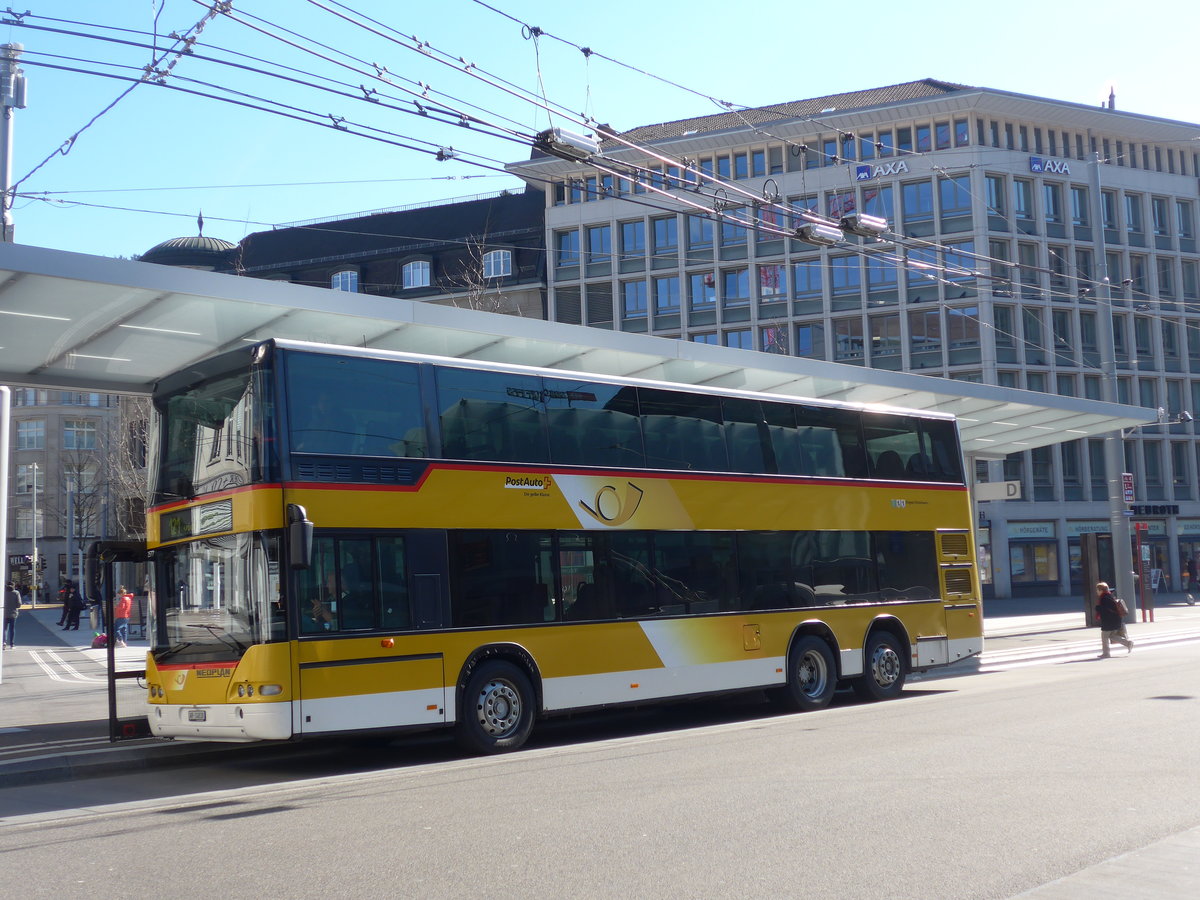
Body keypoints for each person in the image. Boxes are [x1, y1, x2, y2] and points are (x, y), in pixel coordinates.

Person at [1095, 581, 1133, 658]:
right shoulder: (1110, 596)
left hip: (1109, 621)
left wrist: (1097, 608)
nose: (1097, 592)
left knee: (1104, 637)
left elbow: (1105, 609)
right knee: (1112, 636)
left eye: (1097, 590)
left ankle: (1106, 653)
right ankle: (1128, 643)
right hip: (1116, 620)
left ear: (1101, 590)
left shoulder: (1104, 598)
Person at [3, 581, 20, 649]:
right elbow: (19, 604)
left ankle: (3, 642)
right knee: (12, 629)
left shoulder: (3, 592)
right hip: (13, 613)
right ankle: (12, 644)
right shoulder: (16, 593)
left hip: (4, 613)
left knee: (4, 629)